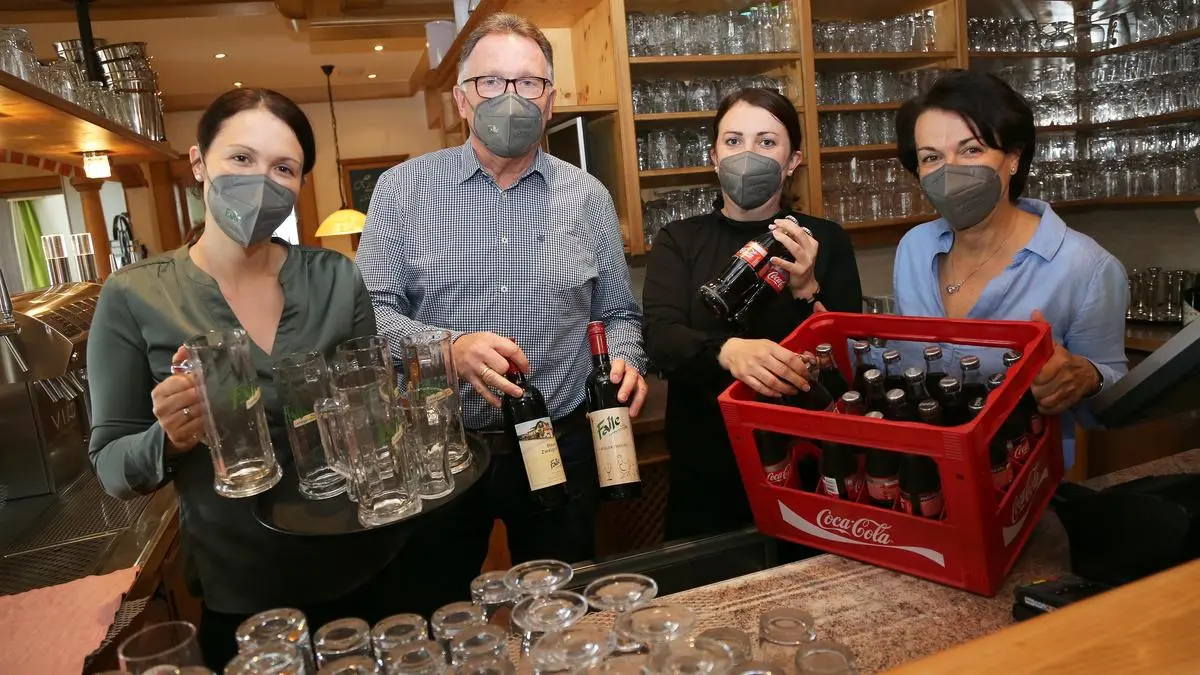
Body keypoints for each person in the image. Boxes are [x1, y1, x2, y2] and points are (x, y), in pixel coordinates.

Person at [87, 88, 481, 669]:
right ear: (199, 163)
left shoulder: (334, 278)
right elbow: (111, 465)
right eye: (240, 159)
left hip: (373, 563)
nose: (261, 181)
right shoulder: (134, 296)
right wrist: (166, 438)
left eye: (283, 168)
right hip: (247, 592)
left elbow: (379, 411)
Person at [356, 13, 648, 566]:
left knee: (564, 596)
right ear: (462, 100)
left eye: (528, 83)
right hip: (440, 443)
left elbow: (617, 314)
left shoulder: (588, 197)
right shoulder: (400, 190)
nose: (509, 98)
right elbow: (372, 316)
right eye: (490, 82)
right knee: (438, 604)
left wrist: (625, 360)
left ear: (550, 100)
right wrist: (446, 349)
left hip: (559, 438)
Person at [643, 88, 864, 540]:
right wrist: (727, 350)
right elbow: (660, 339)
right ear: (714, 156)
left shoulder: (824, 240)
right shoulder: (679, 240)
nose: (748, 155)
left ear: (793, 160)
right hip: (706, 462)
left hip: (809, 463)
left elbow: (847, 361)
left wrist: (807, 288)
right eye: (733, 141)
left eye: (766, 142)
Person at [892, 70, 1128, 467]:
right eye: (931, 157)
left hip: (1029, 484)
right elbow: (906, 363)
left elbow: (1114, 398)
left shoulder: (1087, 268)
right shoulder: (913, 249)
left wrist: (1087, 377)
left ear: (1014, 158)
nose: (950, 170)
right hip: (928, 473)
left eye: (971, 150)